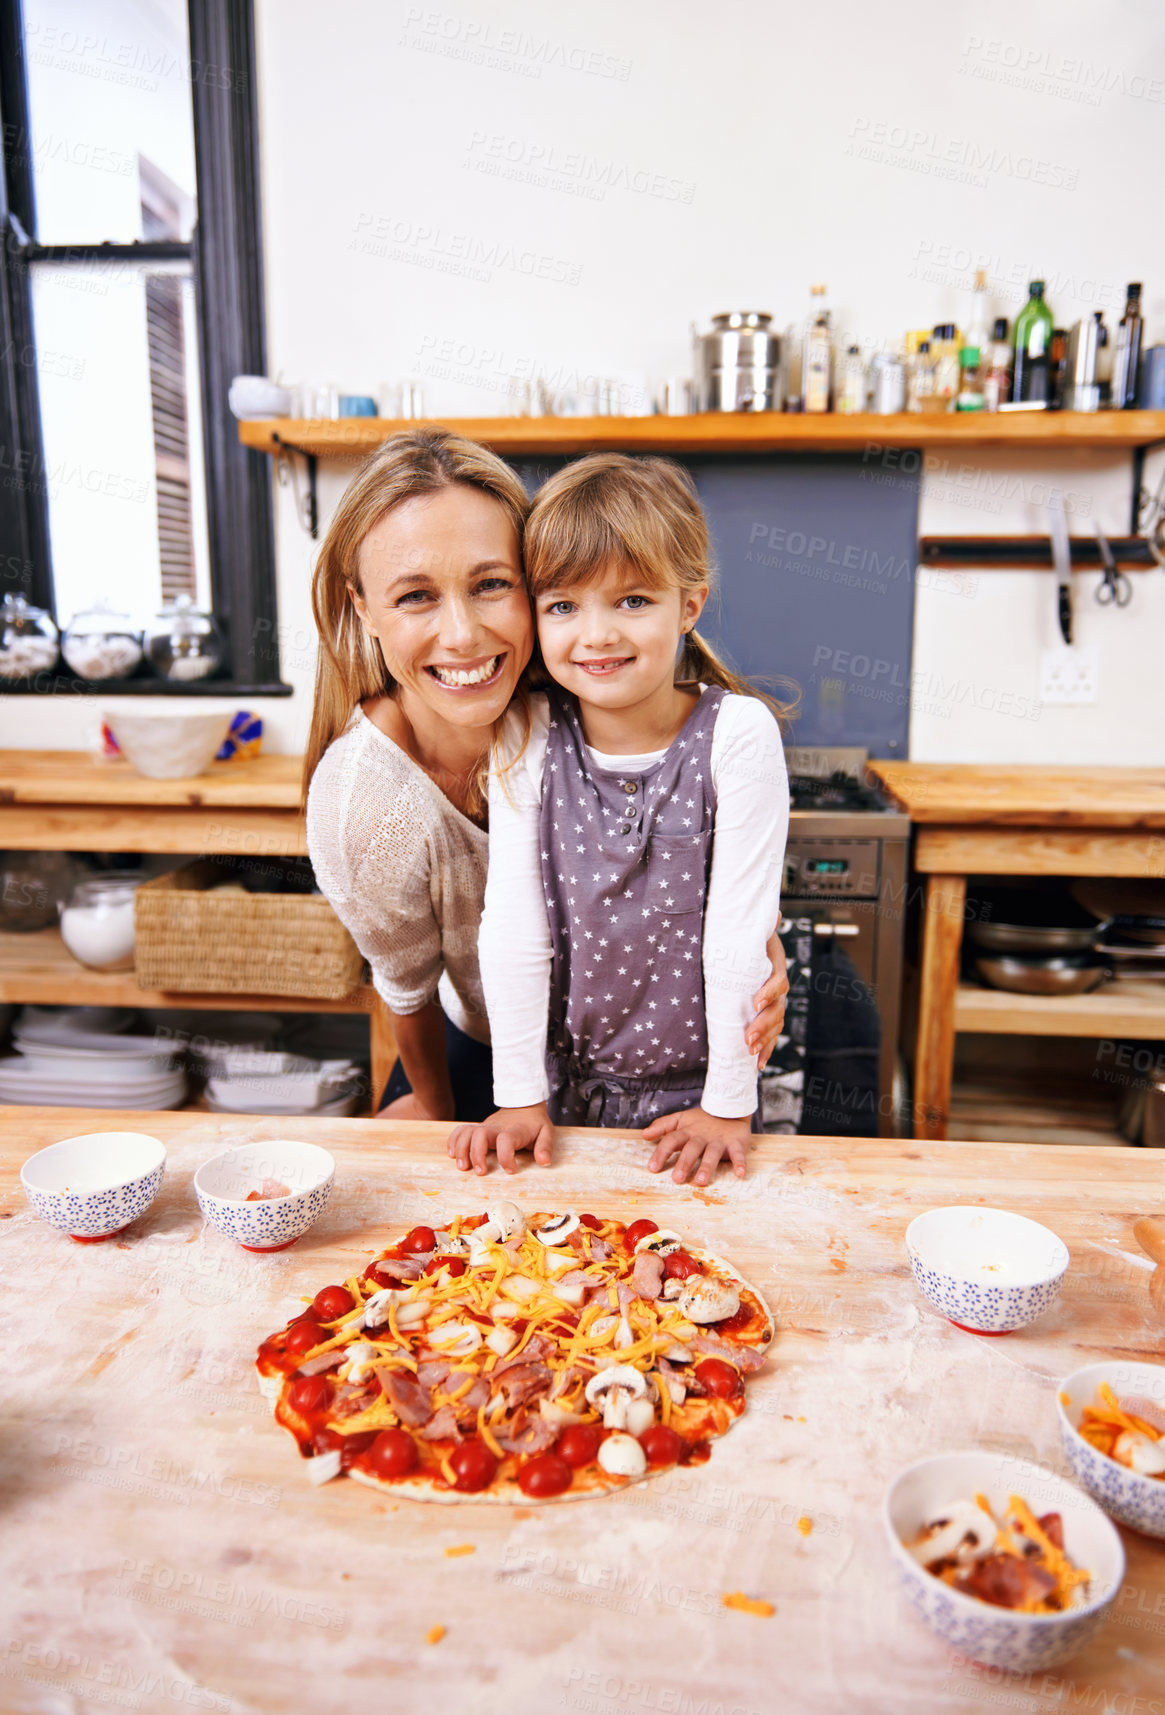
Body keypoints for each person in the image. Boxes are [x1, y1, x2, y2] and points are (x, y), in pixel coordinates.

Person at [304, 428, 789, 1136]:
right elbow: (408, 990)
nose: (465, 634)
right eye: (415, 596)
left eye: (492, 584)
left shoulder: (573, 689)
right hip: (482, 1052)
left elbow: (713, 897)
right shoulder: (368, 796)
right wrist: (438, 1114)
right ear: (363, 608)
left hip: (657, 1061)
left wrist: (759, 952)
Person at [453, 453, 791, 1187]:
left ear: (690, 603)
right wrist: (518, 1096)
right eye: (563, 605)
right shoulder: (526, 731)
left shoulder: (737, 733)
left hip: (699, 1103)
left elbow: (738, 935)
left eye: (632, 601)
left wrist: (728, 1107)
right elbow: (513, 927)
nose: (596, 634)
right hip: (567, 1098)